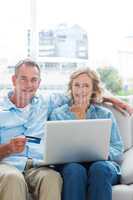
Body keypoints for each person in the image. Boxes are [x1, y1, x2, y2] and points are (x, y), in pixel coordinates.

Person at [49, 68, 124, 200]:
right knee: (74, 170)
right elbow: (53, 149)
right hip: (71, 166)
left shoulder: (105, 115)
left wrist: (103, 153)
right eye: (77, 85)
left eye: (86, 86)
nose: (81, 90)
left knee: (99, 168)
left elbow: (117, 148)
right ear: (71, 88)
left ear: (93, 89)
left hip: (102, 166)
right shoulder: (58, 114)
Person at [0, 59, 62, 200]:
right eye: (23, 79)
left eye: (33, 80)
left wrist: (113, 99)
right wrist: (8, 148)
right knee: (13, 179)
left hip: (37, 166)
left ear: (39, 83)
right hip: (6, 165)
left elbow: (78, 93)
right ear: (14, 79)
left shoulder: (46, 102)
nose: (28, 85)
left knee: (52, 177)